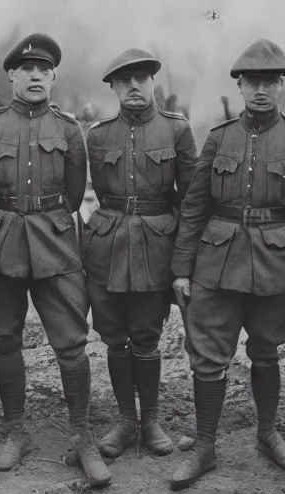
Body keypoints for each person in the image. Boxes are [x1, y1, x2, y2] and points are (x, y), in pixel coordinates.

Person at [169, 39, 285, 491]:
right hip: (216, 260)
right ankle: (206, 446)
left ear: (281, 85)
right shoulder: (218, 136)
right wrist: (181, 269)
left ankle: (268, 434)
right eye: (253, 81)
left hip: (275, 263)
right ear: (241, 85)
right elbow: (193, 207)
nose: (262, 89)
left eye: (270, 81)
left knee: (266, 350)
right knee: (209, 357)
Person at [0, 33, 111, 487]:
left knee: (72, 344)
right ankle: (17, 432)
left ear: (54, 77)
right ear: (13, 76)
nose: (36, 75)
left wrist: (44, 217)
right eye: (27, 69)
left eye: (44, 69)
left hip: (55, 245)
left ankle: (81, 434)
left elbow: (74, 195)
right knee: (4, 339)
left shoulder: (70, 130)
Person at [83, 48, 197, 459]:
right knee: (114, 338)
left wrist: (183, 261)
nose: (134, 86)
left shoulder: (177, 131)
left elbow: (190, 201)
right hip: (108, 247)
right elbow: (98, 192)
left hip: (156, 246)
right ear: (113, 86)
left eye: (142, 78)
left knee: (146, 337)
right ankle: (125, 420)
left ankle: (150, 420)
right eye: (124, 80)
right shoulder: (97, 135)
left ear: (153, 83)